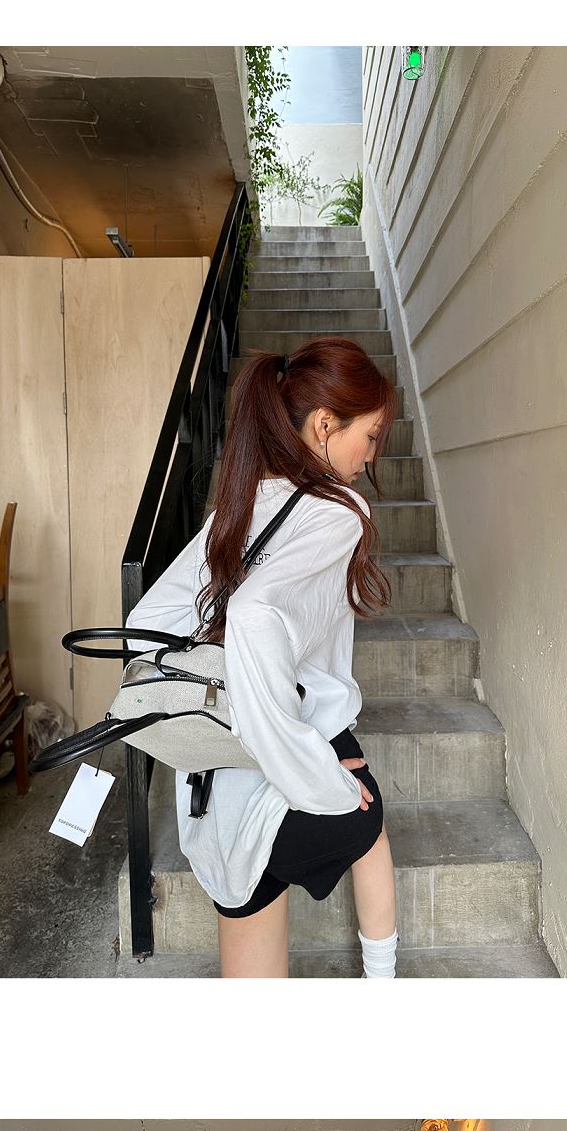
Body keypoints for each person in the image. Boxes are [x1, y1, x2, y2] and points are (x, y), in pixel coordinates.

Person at [125, 336, 399, 982]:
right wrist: (320, 780)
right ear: (325, 424)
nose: (371, 454)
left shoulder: (237, 507)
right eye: (371, 434)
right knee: (367, 821)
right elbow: (256, 617)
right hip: (300, 759)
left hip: (216, 779)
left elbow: (146, 626)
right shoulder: (338, 513)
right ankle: (383, 984)